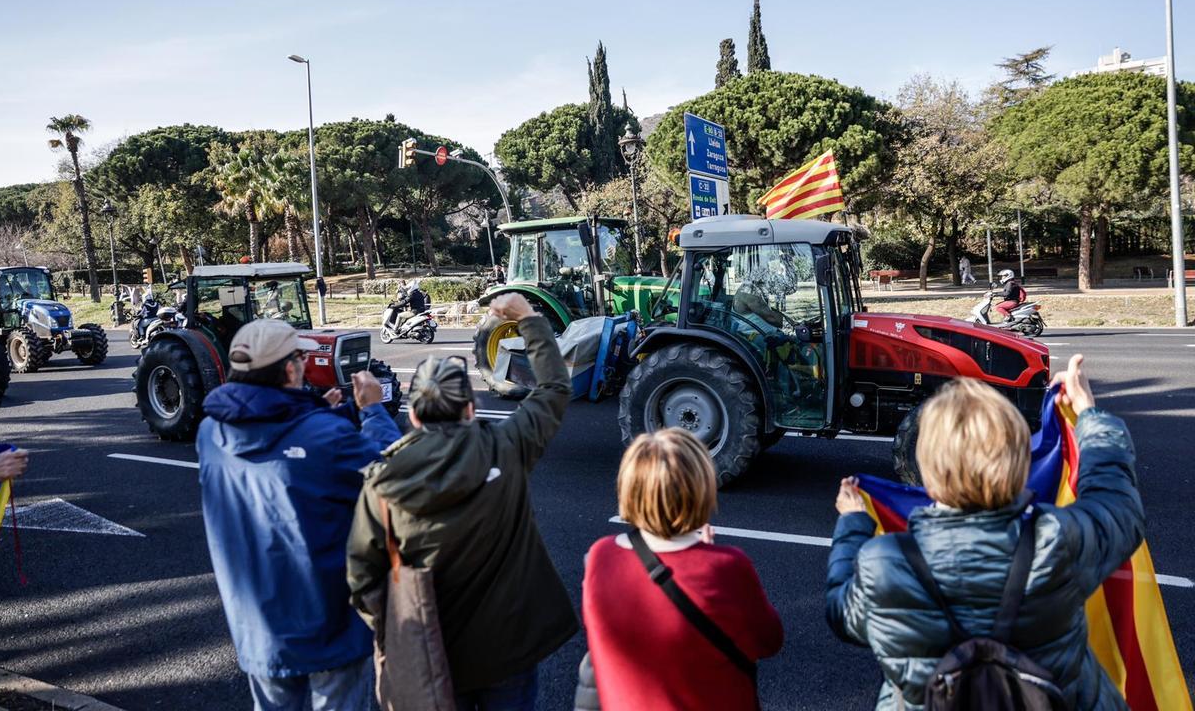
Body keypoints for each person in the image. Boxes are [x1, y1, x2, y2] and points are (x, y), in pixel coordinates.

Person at [826, 356, 1145, 710]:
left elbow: (842, 614)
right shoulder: (1056, 540)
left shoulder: (883, 562)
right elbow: (1119, 507)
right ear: (1018, 461)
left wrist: (853, 523)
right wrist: (1089, 415)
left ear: (928, 469)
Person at [348, 293, 575, 711]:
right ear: (471, 409)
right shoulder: (507, 447)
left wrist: (395, 630)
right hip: (509, 650)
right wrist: (528, 318)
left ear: (414, 415)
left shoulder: (380, 483)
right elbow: (554, 387)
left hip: (430, 653)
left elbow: (362, 578)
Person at [197, 318, 401, 711]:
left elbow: (283, 448)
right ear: (291, 369)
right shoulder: (325, 436)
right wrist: (373, 412)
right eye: (300, 357)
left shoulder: (210, 434)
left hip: (256, 625)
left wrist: (311, 414)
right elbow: (391, 476)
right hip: (331, 622)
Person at [582, 428, 783, 710]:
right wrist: (709, 557)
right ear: (701, 489)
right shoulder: (728, 567)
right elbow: (769, 641)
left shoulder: (600, 557)